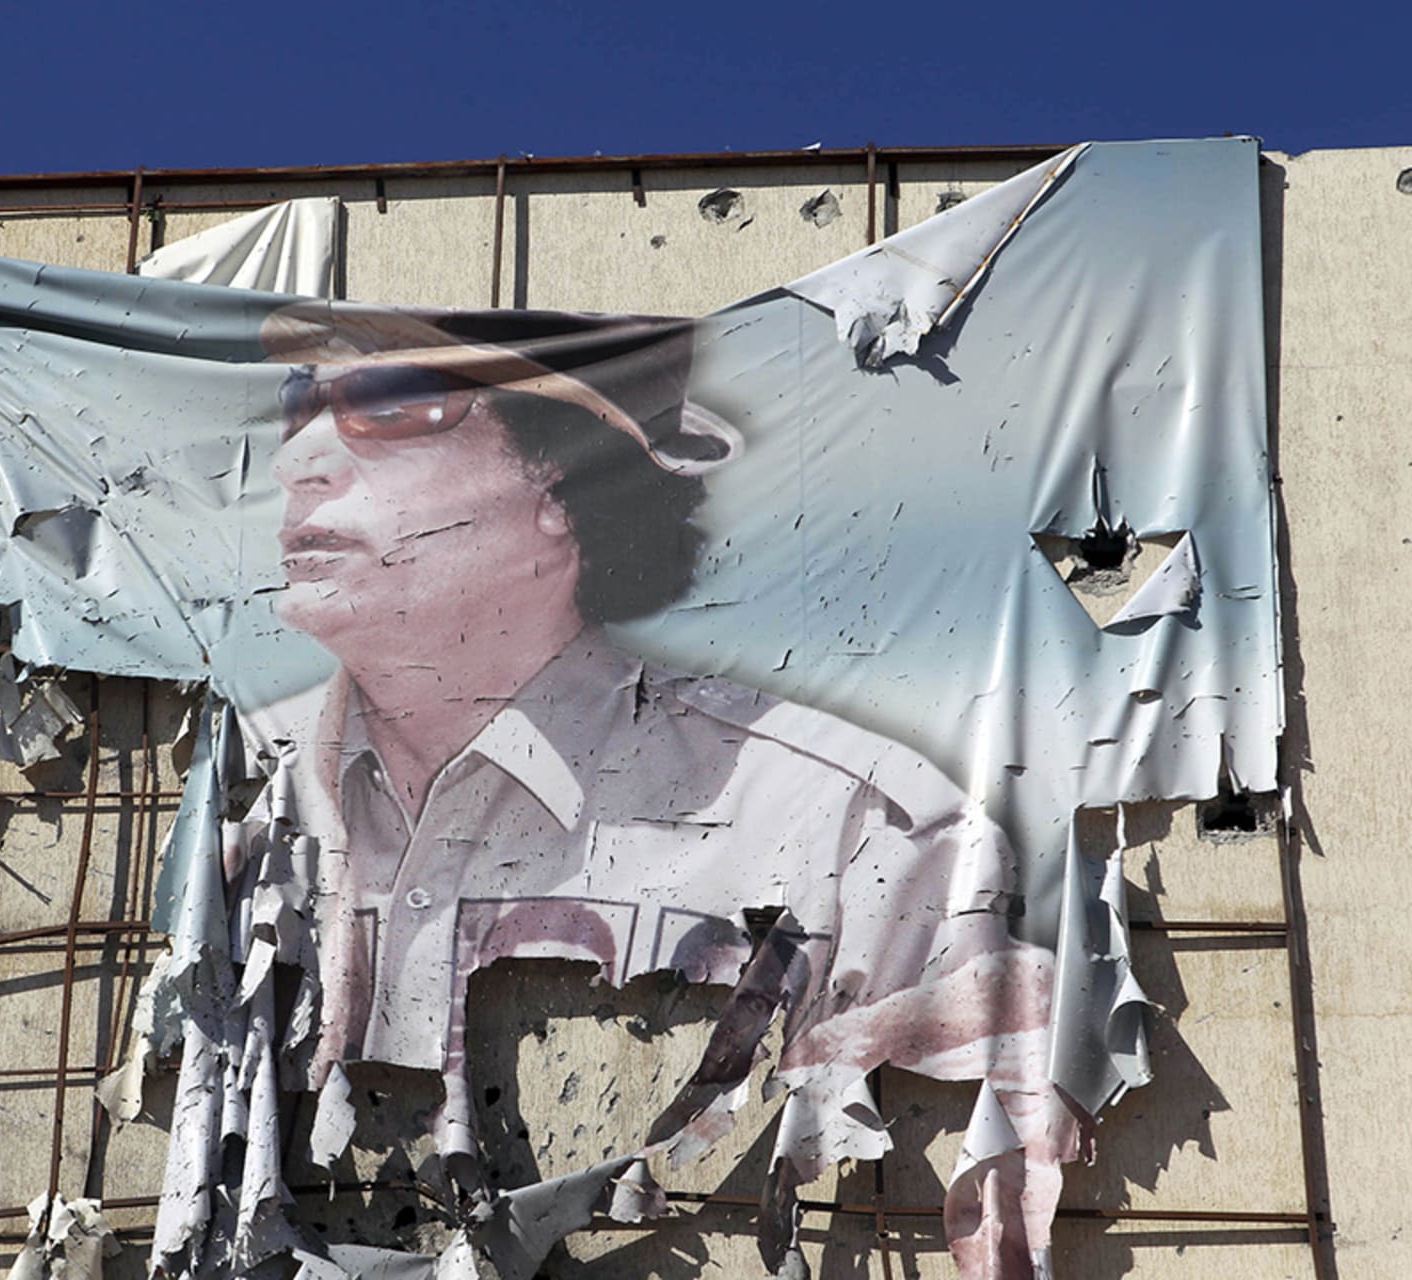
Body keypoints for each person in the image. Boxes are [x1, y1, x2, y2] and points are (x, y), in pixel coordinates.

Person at [234, 300, 1076, 1275]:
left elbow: (1010, 1107)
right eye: (296, 405)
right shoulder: (243, 802)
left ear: (562, 480)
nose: (299, 459)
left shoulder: (848, 818)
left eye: (388, 402)